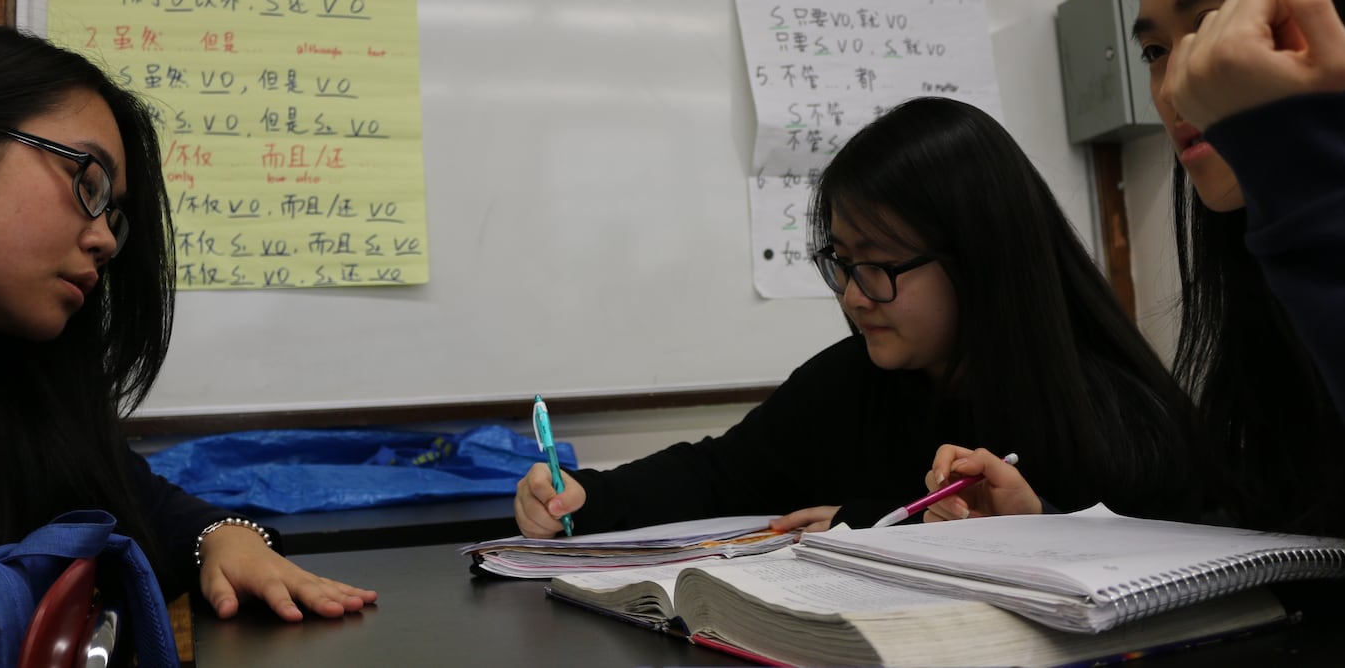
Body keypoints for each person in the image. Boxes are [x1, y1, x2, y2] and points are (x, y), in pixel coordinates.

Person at [922, 0, 1345, 609]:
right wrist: (1044, 534)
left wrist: (1309, 181)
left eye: (1215, 25)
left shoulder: (1338, 235)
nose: (1175, 88)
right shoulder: (1270, 272)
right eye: (1157, 49)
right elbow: (1286, 550)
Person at [0, 26, 375, 643]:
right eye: (87, 185)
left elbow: (141, 504)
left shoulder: (12, 391)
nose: (107, 240)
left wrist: (223, 537)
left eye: (114, 214)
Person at [513, 96, 1200, 538]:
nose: (852, 295)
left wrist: (867, 523)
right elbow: (720, 473)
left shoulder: (1108, 408)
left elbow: (1166, 558)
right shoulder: (852, 381)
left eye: (879, 264)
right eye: (841, 260)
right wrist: (584, 495)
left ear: (979, 260)